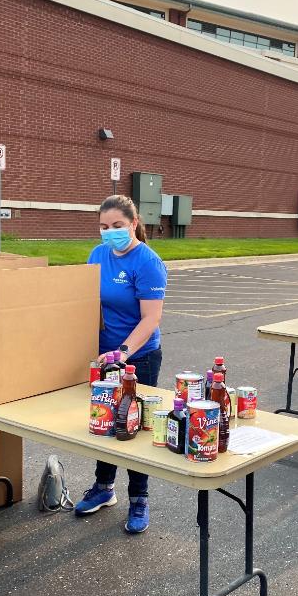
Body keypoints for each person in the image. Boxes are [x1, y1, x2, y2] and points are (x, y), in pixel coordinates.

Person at [74, 194, 167, 533]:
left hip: (137, 357)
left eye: (116, 226)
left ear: (134, 224)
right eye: (103, 226)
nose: (109, 232)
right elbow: (85, 302)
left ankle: (139, 498)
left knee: (131, 426)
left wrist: (124, 351)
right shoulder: (98, 254)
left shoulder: (148, 262)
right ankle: (103, 488)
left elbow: (150, 319)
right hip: (103, 356)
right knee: (104, 421)